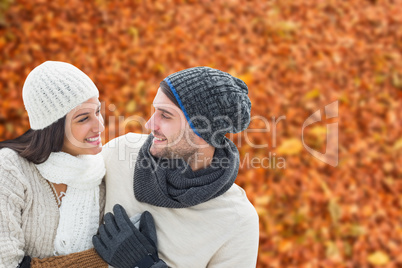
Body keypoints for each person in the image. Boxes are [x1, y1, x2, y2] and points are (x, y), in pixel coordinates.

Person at [0, 61, 160, 268]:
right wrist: (99, 260)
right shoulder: (11, 168)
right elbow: (7, 263)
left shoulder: (98, 174)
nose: (100, 126)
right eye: (83, 119)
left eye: (97, 112)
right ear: (52, 127)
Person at [98, 67, 259, 267]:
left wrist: (143, 265)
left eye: (165, 115)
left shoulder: (238, 220)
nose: (150, 124)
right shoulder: (119, 154)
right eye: (154, 110)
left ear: (203, 131)